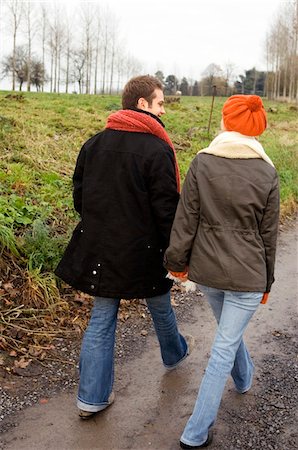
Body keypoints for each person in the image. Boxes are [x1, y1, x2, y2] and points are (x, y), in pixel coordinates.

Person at [55, 75, 193, 419]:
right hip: (144, 250)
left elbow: (80, 198)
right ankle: (174, 354)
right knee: (160, 304)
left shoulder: (94, 143)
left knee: (103, 317)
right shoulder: (158, 148)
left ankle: (91, 398)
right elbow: (166, 209)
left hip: (102, 249)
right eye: (160, 103)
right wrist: (174, 251)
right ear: (142, 104)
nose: (164, 110)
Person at [164, 94, 280, 448]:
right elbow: (268, 236)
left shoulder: (202, 162)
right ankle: (195, 433)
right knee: (224, 345)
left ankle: (244, 379)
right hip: (247, 275)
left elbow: (187, 219)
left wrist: (176, 263)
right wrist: (267, 282)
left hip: (208, 272)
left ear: (227, 123)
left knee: (227, 339)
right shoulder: (267, 171)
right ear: (256, 130)